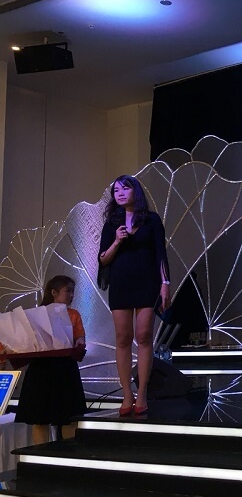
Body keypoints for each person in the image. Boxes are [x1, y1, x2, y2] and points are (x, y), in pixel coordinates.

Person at [98, 175, 170, 416]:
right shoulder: (112, 222)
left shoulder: (151, 219)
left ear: (135, 192)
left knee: (144, 336)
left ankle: (142, 393)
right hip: (121, 284)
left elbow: (161, 254)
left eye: (124, 189)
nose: (119, 194)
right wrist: (117, 241)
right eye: (116, 190)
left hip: (147, 283)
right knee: (123, 338)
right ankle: (127, 394)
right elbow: (103, 259)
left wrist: (165, 283)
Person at [15, 276, 87, 444]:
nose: (71, 295)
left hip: (65, 369)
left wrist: (80, 342)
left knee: (69, 417)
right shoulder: (36, 315)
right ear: (54, 292)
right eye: (67, 291)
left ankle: (70, 454)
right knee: (40, 419)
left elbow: (80, 337)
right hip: (41, 370)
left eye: (73, 291)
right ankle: (40, 456)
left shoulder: (73, 314)